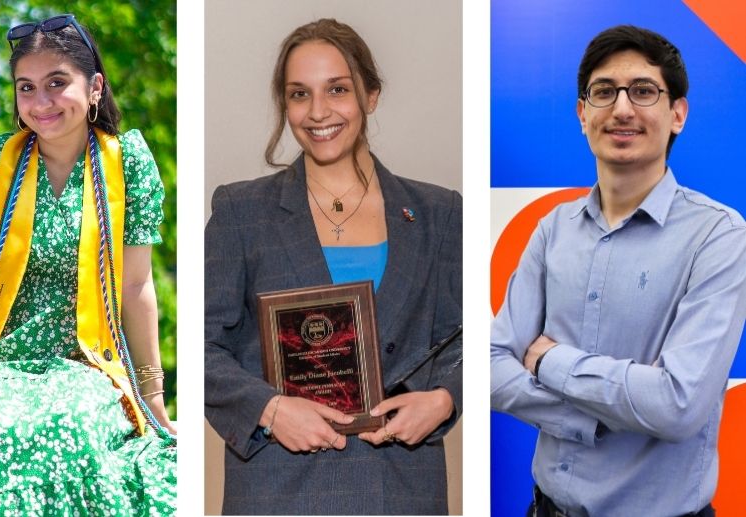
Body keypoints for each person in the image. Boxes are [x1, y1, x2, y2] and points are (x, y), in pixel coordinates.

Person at [205, 18, 462, 515]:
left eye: (338, 90)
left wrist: (444, 399)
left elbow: (473, 340)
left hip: (401, 488)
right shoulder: (242, 211)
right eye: (299, 94)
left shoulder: (439, 214)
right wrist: (270, 409)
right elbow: (200, 345)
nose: (318, 111)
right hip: (277, 487)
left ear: (371, 96)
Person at [0, 14, 176, 515]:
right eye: (27, 88)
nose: (41, 102)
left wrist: (153, 396)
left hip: (87, 366)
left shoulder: (127, 165)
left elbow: (137, 285)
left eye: (57, 83)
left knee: (72, 428)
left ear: (94, 86)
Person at [491, 24, 746, 517]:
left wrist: (549, 362)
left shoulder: (719, 236)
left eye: (644, 91)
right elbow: (493, 364)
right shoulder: (553, 229)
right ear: (582, 113)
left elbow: (676, 405)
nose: (622, 109)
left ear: (677, 114)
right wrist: (600, 412)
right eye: (604, 92)